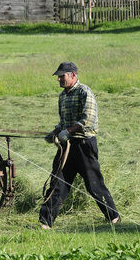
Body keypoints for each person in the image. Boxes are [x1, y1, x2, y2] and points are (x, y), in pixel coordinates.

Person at [39, 62, 120, 229]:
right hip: (67, 146)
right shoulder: (62, 96)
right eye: (58, 76)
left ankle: (114, 217)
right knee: (57, 183)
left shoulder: (85, 92)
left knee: (93, 184)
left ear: (73, 75)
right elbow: (63, 121)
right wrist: (55, 132)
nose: (59, 79)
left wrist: (68, 131)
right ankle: (45, 222)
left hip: (84, 145)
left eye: (62, 76)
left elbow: (88, 119)